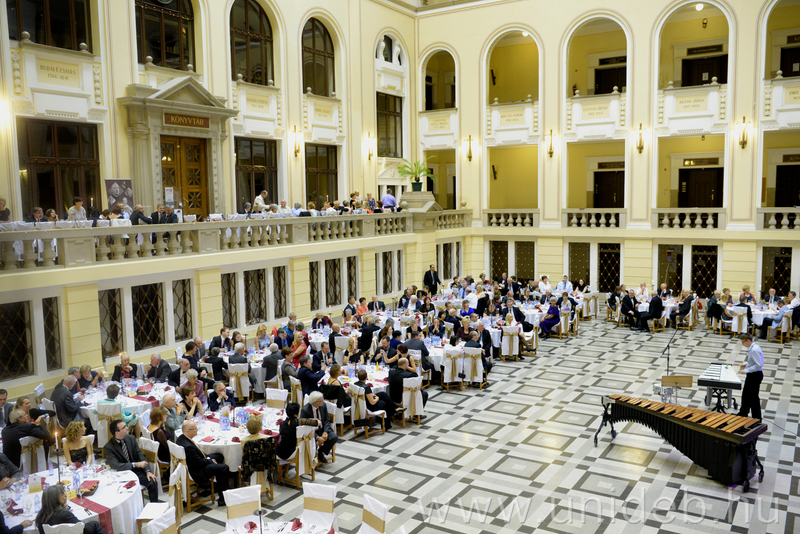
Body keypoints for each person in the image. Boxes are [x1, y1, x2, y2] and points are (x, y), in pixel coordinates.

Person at [104, 419, 161, 502]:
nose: (127, 428)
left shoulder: (131, 438)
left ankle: (154, 505)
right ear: (117, 433)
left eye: (126, 426)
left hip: (136, 471)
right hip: (121, 474)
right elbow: (116, 465)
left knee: (152, 481)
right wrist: (135, 464)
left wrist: (147, 471)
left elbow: (140, 455)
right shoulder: (109, 447)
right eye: (124, 427)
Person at [176, 420, 231, 506]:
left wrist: (209, 459)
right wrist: (210, 461)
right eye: (195, 429)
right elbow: (198, 463)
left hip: (194, 464)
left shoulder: (181, 438)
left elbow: (197, 457)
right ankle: (222, 499)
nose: (197, 429)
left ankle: (218, 485)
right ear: (188, 431)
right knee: (224, 468)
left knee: (219, 456)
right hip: (196, 471)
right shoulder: (188, 447)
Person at [35, 485, 106, 534]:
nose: (65, 495)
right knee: (95, 524)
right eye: (62, 494)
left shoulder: (40, 517)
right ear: (55, 499)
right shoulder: (64, 515)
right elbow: (81, 528)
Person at [275, 402, 319, 476]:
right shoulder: (298, 422)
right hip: (293, 452)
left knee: (286, 442)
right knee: (292, 443)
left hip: (280, 451)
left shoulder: (282, 424)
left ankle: (284, 473)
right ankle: (286, 472)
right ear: (297, 413)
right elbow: (317, 422)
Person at [300, 392, 338, 464]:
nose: (323, 401)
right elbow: (305, 427)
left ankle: (321, 451)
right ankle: (313, 460)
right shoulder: (305, 410)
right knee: (312, 442)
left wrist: (325, 431)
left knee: (334, 437)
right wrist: (317, 437)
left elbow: (327, 420)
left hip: (323, 429)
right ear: (315, 403)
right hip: (312, 432)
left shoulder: (323, 406)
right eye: (321, 401)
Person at [737, 333, 764, 421]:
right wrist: (746, 364)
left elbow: (758, 365)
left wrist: (746, 371)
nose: (743, 344)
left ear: (748, 340)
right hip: (753, 375)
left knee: (753, 397)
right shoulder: (754, 347)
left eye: (743, 342)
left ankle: (757, 418)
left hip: (755, 375)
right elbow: (753, 361)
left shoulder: (754, 350)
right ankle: (743, 413)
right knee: (746, 395)